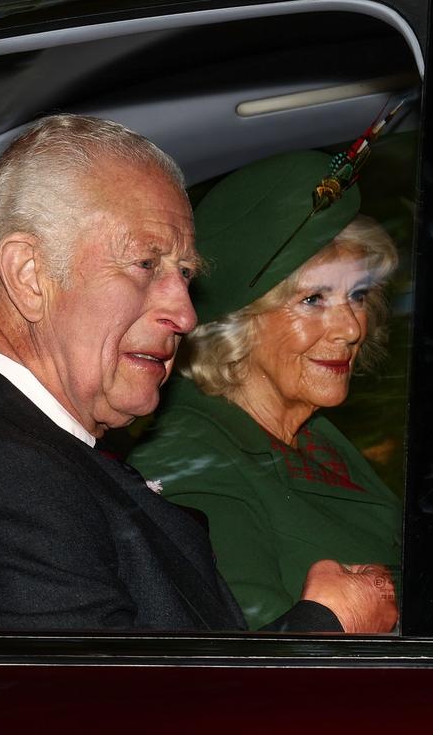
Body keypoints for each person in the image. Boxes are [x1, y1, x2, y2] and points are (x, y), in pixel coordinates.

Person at [0, 114, 396, 632]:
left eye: (185, 275)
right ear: (29, 275)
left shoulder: (29, 452)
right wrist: (327, 629)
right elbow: (118, 715)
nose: (186, 314)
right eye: (145, 264)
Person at [129, 150, 403, 630]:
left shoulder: (310, 434)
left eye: (357, 295)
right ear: (238, 324)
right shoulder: (190, 461)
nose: (351, 328)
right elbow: (251, 671)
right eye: (313, 299)